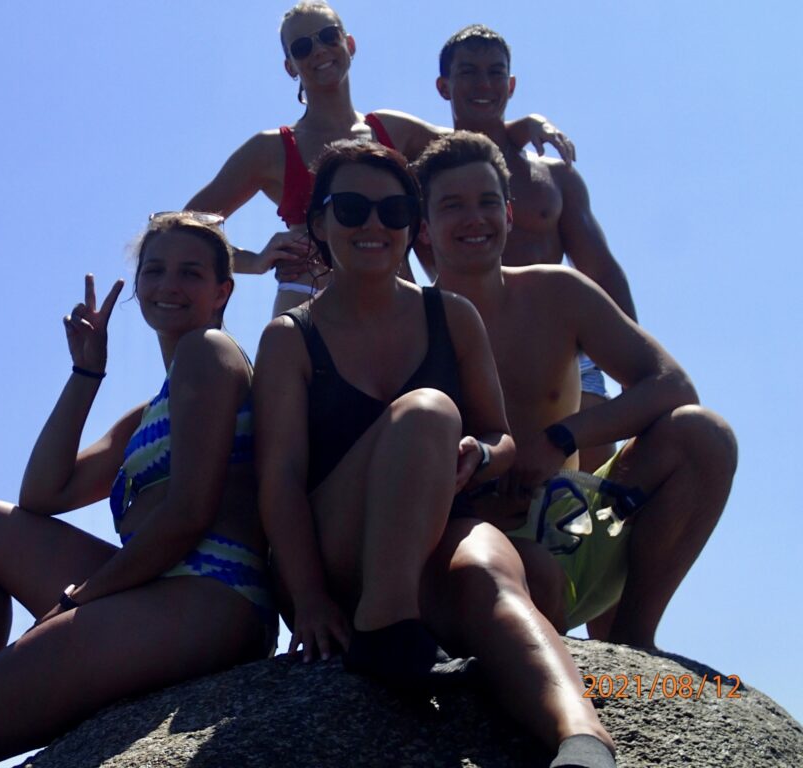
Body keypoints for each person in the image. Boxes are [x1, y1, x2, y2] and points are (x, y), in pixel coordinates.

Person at [0, 213, 276, 768]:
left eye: (190, 273)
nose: (169, 285)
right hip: (162, 587)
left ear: (223, 291)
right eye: (155, 270)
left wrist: (82, 597)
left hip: (214, 592)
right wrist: (86, 373)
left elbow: (189, 513)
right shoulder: (150, 411)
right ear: (138, 284)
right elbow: (42, 495)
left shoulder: (209, 353)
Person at [255, 140, 617, 768]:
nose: (374, 225)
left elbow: (500, 437)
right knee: (427, 410)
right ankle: (385, 630)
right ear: (318, 223)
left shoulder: (451, 315)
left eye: (394, 212)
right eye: (352, 208)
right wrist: (308, 597)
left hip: (438, 535)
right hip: (341, 557)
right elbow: (280, 477)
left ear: (412, 225)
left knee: (499, 580)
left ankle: (582, 743)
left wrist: (482, 452)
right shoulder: (292, 338)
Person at [415, 130, 737, 648]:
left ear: (510, 214)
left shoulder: (557, 292)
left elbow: (673, 384)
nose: (474, 218)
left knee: (705, 435)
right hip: (475, 545)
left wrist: (560, 439)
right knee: (533, 578)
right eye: (452, 205)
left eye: (488, 202)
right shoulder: (409, 321)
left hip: (574, 521)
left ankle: (636, 645)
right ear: (424, 227)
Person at [186, 2, 572, 317]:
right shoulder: (270, 149)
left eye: (327, 36)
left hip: (398, 300)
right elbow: (187, 226)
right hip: (309, 299)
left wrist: (526, 125)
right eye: (302, 47)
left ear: (349, 44)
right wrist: (254, 260)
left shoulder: (392, 129)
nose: (318, 50)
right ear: (290, 66)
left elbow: (471, 143)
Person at [428, 24, 632, 471]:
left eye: (495, 73)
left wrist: (629, 354)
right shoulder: (425, 175)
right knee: (484, 481)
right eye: (469, 73)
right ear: (444, 86)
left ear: (511, 84)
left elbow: (600, 265)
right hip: (466, 345)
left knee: (592, 489)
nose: (484, 84)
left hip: (562, 347)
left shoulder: (554, 178)